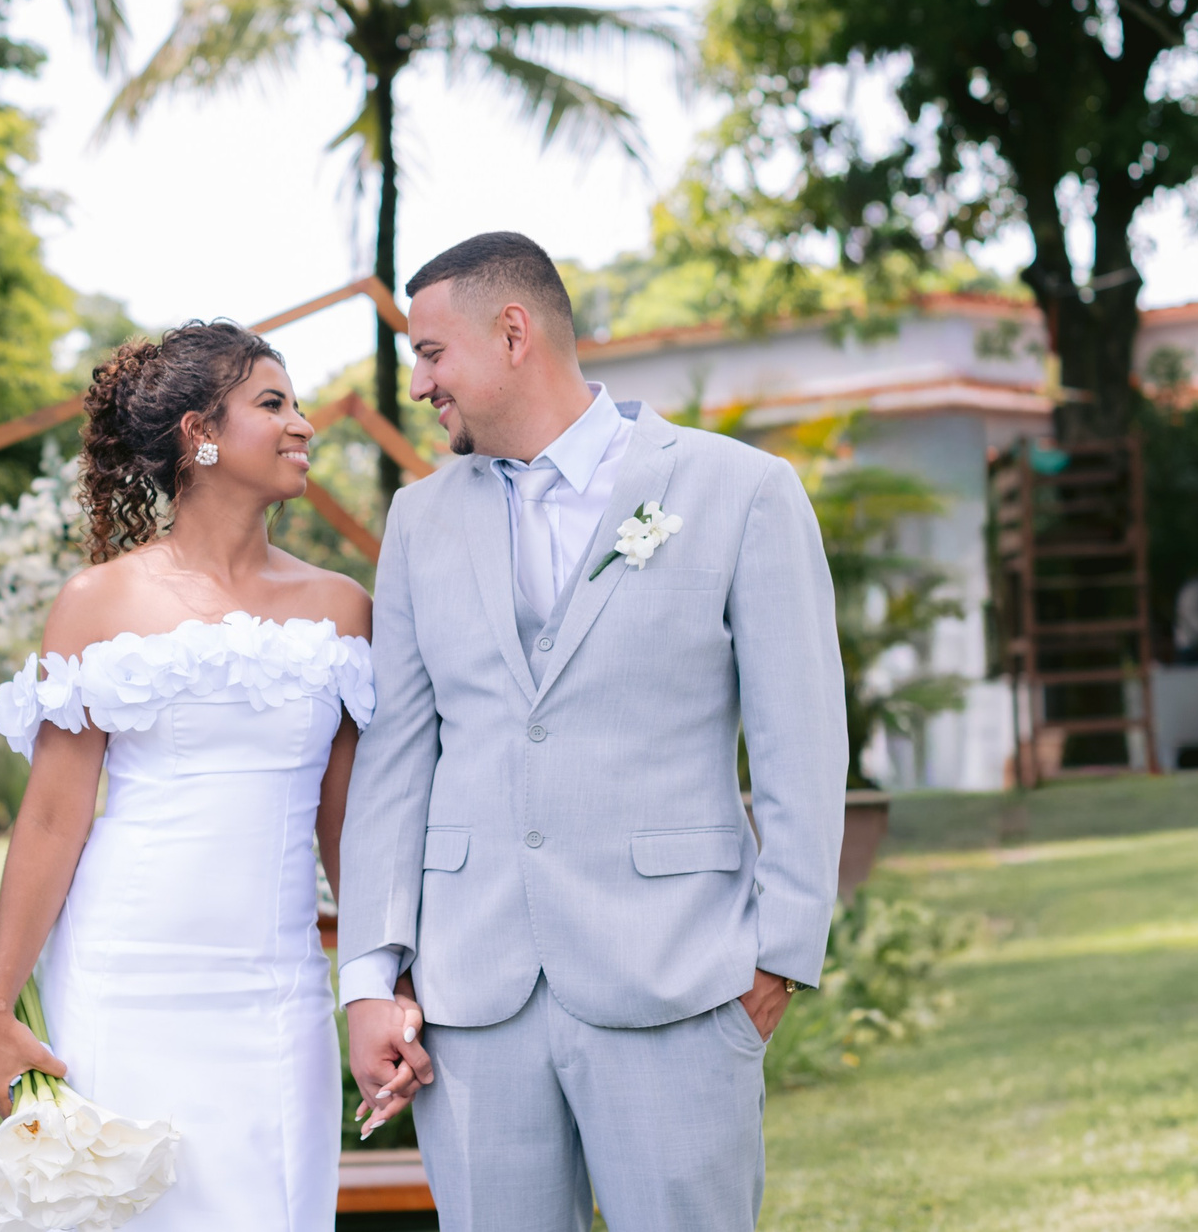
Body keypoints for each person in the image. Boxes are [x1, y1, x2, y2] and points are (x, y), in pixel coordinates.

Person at [339, 231, 847, 1232]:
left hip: (676, 978)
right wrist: (368, 976)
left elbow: (803, 741)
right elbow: (396, 762)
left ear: (513, 332)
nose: (420, 383)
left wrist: (778, 955)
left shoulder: (739, 489)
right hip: (471, 998)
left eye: (431, 352)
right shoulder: (418, 520)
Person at [0, 319, 415, 1229]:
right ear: (199, 434)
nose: (302, 424)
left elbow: (349, 827)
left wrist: (382, 980)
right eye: (273, 403)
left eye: (298, 405)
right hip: (123, 973)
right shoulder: (98, 601)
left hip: (274, 986)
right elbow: (52, 818)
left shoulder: (341, 608)